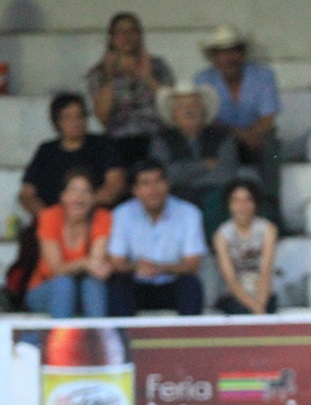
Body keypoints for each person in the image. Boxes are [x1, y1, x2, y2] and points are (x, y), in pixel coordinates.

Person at [8, 93, 125, 310]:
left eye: (80, 115)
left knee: (93, 284)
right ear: (57, 122)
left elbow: (115, 184)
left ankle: (97, 341)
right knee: (64, 283)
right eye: (68, 117)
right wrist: (51, 215)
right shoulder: (47, 151)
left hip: (92, 218)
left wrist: (83, 204)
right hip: (53, 234)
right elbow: (26, 194)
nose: (75, 121)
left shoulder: (102, 145)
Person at [194, 25, 282, 220]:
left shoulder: (263, 75)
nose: (229, 58)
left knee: (272, 148)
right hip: (222, 138)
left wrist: (253, 134)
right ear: (215, 57)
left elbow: (269, 117)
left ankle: (271, 207)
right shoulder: (203, 79)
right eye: (223, 53)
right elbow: (207, 120)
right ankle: (225, 213)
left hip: (258, 137)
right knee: (223, 145)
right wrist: (241, 135)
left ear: (242, 54)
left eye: (234, 51)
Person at [106, 160, 207, 316]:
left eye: (158, 181)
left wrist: (159, 268)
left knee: (191, 284)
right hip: (137, 285)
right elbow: (117, 261)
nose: (153, 189)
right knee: (118, 284)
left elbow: (192, 264)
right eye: (145, 183)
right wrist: (135, 267)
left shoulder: (189, 213)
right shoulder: (122, 214)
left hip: (172, 285)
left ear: (167, 184)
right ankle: (123, 339)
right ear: (135, 190)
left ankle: (189, 337)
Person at [150, 80, 240, 238]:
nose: (189, 110)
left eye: (194, 105)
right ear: (173, 114)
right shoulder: (161, 140)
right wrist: (204, 165)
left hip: (214, 197)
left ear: (204, 111)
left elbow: (225, 176)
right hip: (176, 197)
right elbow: (165, 176)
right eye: (181, 106)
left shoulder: (223, 137)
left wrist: (184, 174)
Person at [86, 12, 175, 167]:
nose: (126, 36)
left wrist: (148, 77)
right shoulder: (100, 73)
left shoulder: (157, 65)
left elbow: (171, 108)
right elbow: (103, 118)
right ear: (112, 37)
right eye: (120, 31)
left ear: (139, 34)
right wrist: (110, 77)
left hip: (155, 136)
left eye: (132, 31)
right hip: (119, 140)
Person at [25, 170, 113, 319]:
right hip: (45, 289)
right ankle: (61, 340)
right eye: (73, 190)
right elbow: (57, 269)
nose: (79, 196)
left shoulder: (102, 217)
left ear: (93, 198)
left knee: (93, 284)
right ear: (63, 196)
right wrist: (85, 263)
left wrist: (88, 265)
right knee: (64, 283)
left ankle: (99, 337)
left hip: (85, 291)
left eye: (86, 191)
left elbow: (96, 267)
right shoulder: (49, 216)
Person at [213, 180, 279, 315]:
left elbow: (265, 272)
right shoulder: (221, 235)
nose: (242, 206)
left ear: (255, 203)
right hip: (233, 295)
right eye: (236, 201)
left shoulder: (268, 229)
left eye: (247, 200)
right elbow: (230, 280)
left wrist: (260, 304)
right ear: (229, 205)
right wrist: (255, 307)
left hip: (262, 293)